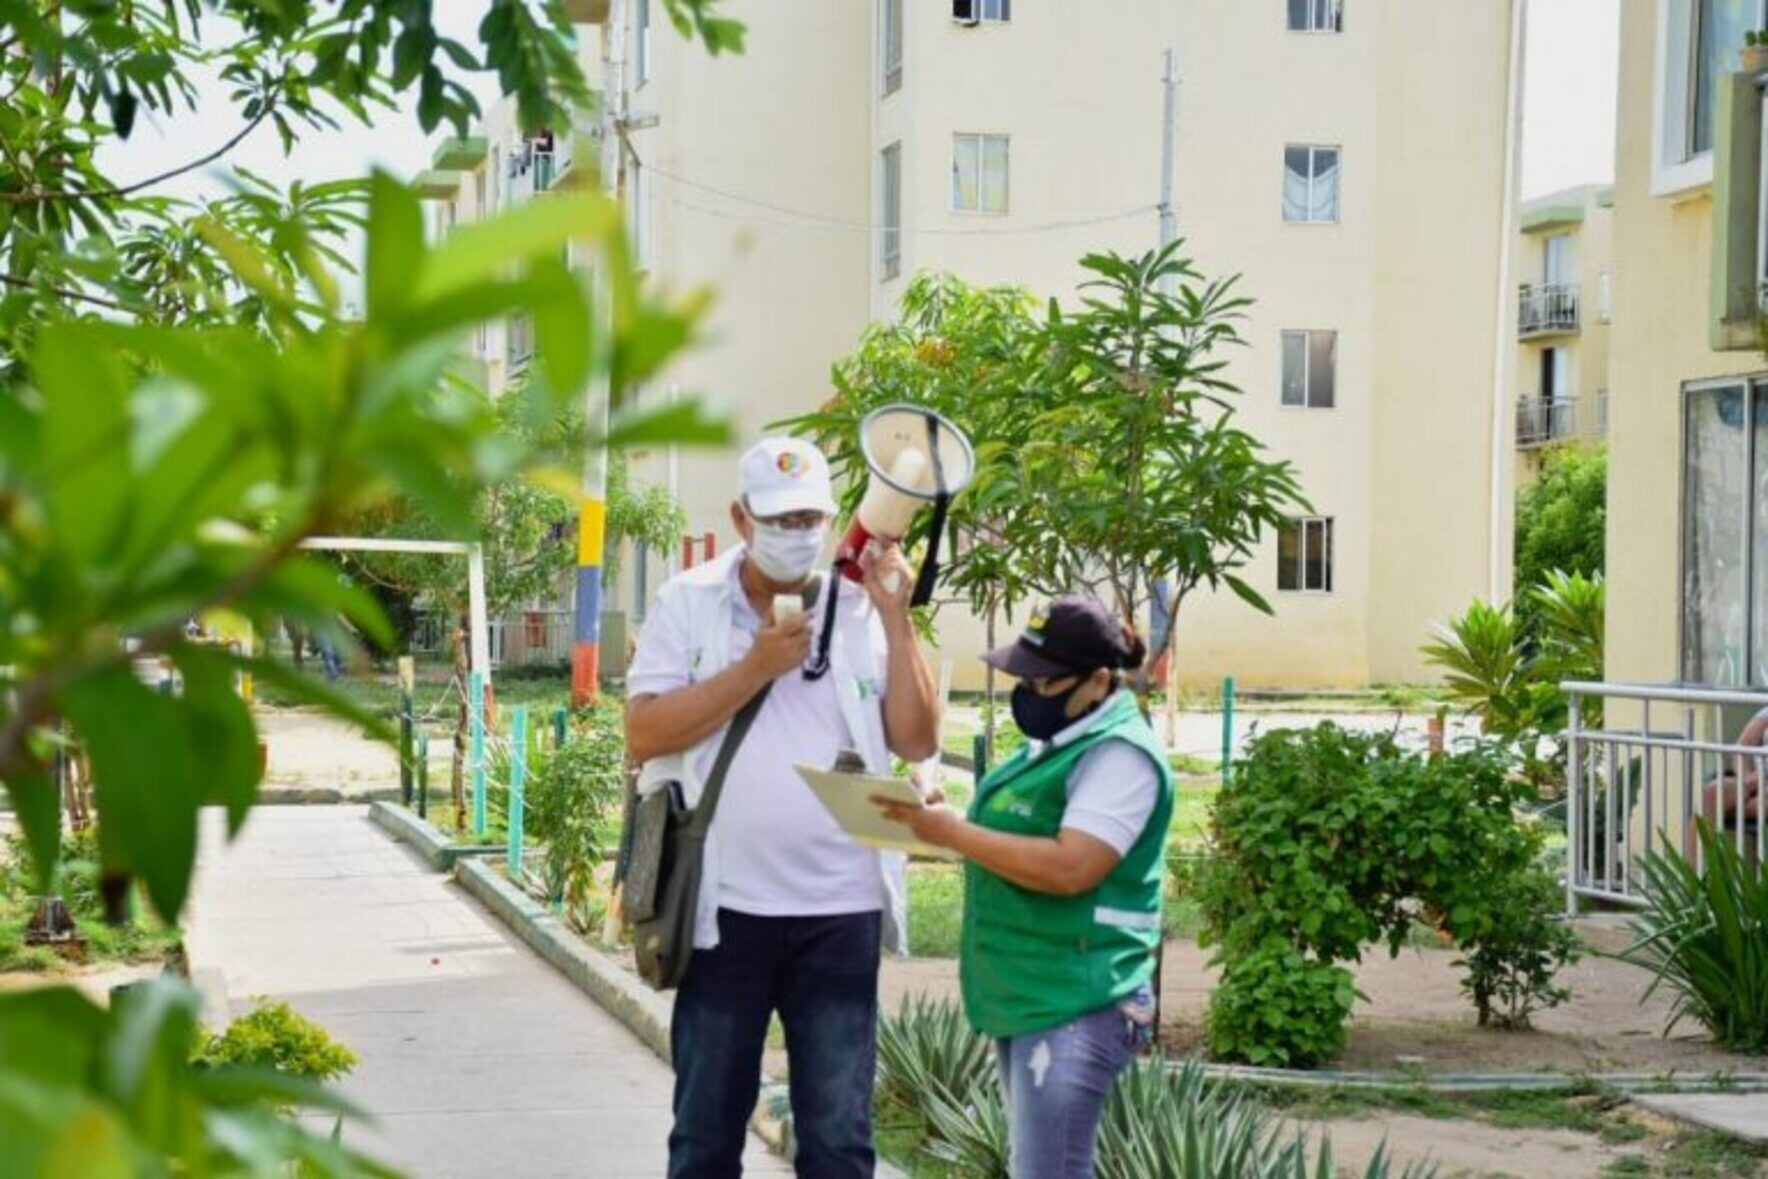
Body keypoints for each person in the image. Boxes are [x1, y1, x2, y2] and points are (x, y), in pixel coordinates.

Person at [625, 436, 941, 1179]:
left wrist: (898, 617)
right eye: (780, 517)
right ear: (741, 517)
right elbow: (644, 731)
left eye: (811, 518)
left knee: (837, 1140)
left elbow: (917, 735)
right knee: (704, 1136)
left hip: (839, 913)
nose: (797, 532)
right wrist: (757, 666)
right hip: (721, 915)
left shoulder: (863, 610)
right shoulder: (688, 601)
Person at [877, 594, 1171, 1179]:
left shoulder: (1120, 756)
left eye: (1044, 682)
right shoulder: (1059, 742)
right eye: (1024, 678)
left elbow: (1071, 867)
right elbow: (1016, 829)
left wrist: (956, 834)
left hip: (1081, 997)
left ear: (1099, 681)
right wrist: (940, 816)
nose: (1028, 693)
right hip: (1033, 994)